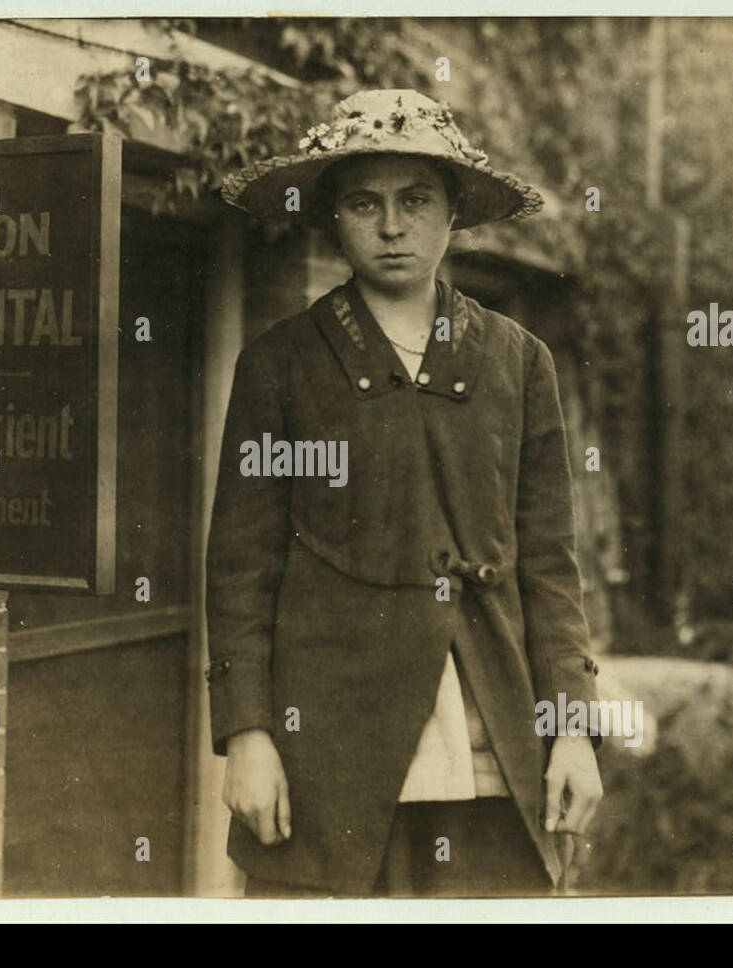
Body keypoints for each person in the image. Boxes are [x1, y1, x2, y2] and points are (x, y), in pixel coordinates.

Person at [208, 89, 603, 898]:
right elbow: (241, 567)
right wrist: (248, 732)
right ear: (334, 218)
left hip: (492, 733)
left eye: (416, 201)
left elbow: (552, 569)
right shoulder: (280, 366)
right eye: (365, 203)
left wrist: (572, 732)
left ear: (453, 212)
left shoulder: (518, 364)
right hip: (330, 746)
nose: (392, 227)